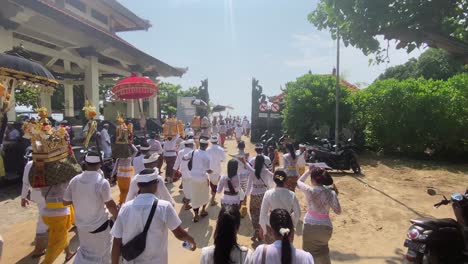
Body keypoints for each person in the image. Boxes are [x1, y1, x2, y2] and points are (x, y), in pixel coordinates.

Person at [111, 169, 196, 264]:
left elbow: (117, 242)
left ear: (138, 185)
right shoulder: (164, 207)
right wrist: (191, 240)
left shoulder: (125, 208)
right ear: (156, 185)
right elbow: (179, 233)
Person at [63, 151, 119, 264]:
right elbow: (110, 204)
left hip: (82, 227)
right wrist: (118, 217)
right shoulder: (102, 182)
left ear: (85, 163)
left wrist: (81, 199)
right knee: (102, 256)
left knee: (85, 253)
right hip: (99, 227)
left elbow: (65, 202)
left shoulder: (75, 180)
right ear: (100, 164)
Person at [297, 166, 341, 264]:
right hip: (325, 228)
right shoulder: (331, 193)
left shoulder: (309, 190)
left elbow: (298, 182)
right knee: (323, 252)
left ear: (313, 180)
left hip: (309, 226)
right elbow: (338, 211)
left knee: (307, 256)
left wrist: (308, 171)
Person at [259, 170, 301, 244]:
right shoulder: (291, 194)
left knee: (272, 252)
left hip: (272, 226)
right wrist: (292, 222)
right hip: (287, 226)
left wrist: (264, 229)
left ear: (274, 179)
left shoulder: (268, 193)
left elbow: (263, 214)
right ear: (285, 180)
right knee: (286, 251)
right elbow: (298, 213)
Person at [21, 150, 47, 258]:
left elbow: (25, 183)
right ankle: (39, 248)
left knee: (44, 216)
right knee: (43, 219)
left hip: (37, 195)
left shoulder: (29, 164)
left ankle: (43, 240)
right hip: (48, 195)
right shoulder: (48, 163)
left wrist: (23, 197)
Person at [41, 183, 76, 264]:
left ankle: (68, 253)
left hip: (47, 213)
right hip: (59, 214)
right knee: (56, 243)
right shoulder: (64, 182)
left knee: (61, 235)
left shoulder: (43, 180)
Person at [246, 154, 274, 242]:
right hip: (264, 195)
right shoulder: (266, 171)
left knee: (254, 213)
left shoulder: (252, 172)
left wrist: (246, 194)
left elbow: (249, 184)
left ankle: (256, 230)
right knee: (263, 214)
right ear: (263, 162)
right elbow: (275, 176)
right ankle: (261, 232)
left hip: (254, 195)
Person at [184, 138, 212, 222]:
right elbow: (208, 170)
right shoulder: (207, 156)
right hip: (203, 179)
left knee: (195, 197)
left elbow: (184, 158)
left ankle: (196, 216)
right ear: (207, 145)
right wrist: (213, 172)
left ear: (199, 144)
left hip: (193, 178)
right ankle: (203, 211)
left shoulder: (193, 152)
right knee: (204, 195)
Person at [174, 139, 195, 210]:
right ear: (190, 145)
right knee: (191, 190)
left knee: (186, 188)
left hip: (184, 174)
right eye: (192, 144)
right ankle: (186, 204)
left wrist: (174, 173)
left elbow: (177, 163)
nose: (193, 145)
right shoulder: (193, 152)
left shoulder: (180, 152)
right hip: (192, 174)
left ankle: (186, 199)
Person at [206, 136, 226, 206]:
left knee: (212, 183)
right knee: (215, 184)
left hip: (210, 170)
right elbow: (223, 159)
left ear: (211, 142)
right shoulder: (220, 149)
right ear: (217, 141)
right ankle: (212, 199)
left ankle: (212, 197)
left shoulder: (207, 149)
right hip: (217, 169)